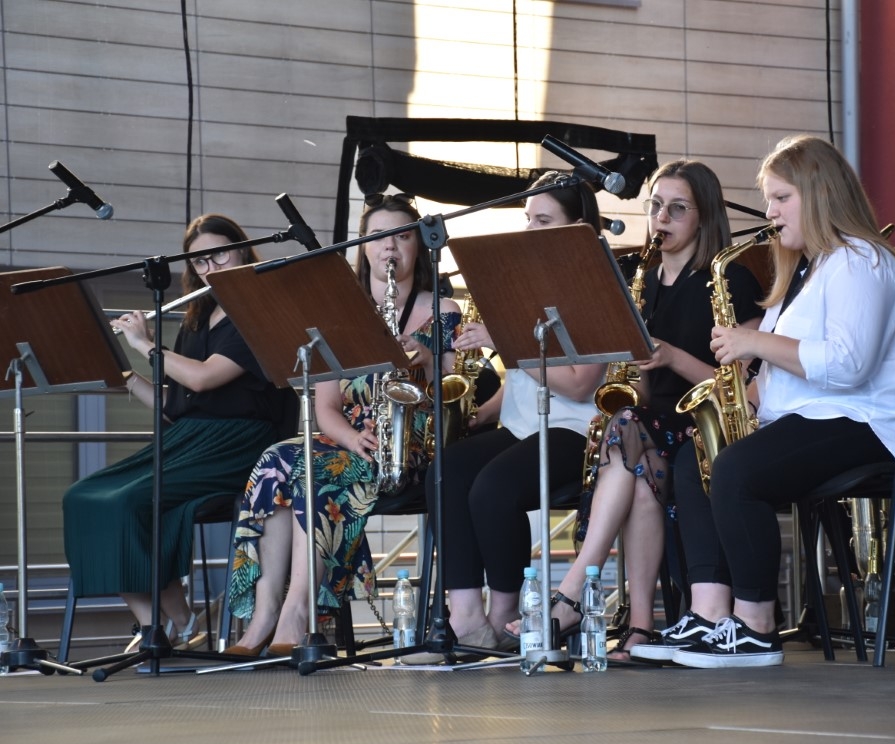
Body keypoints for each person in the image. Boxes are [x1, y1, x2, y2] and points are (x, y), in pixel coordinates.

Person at [628, 134, 895, 668]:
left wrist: (752, 343)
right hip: (816, 416)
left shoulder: (861, 261)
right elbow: (779, 372)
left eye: (780, 198)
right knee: (695, 459)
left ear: (819, 194)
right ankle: (709, 613)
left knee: (739, 471)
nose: (769, 212)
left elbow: (848, 363)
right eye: (770, 199)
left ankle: (756, 626)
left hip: (873, 422)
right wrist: (737, 405)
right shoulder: (806, 269)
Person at [506, 160, 764, 659]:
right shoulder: (643, 281)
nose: (661, 218)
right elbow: (644, 393)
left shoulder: (730, 278)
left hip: (709, 423)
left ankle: (574, 590)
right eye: (655, 206)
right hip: (651, 424)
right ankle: (641, 628)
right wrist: (636, 364)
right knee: (635, 453)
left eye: (677, 208)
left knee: (629, 434)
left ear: (704, 215)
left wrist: (672, 357)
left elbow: (746, 389)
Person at [225, 194, 461, 656]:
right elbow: (325, 407)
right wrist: (353, 437)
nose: (389, 247)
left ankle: (299, 610)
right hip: (347, 437)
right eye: (378, 237)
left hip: (405, 444)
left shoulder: (443, 309)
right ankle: (265, 612)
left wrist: (423, 354)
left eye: (402, 236)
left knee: (319, 476)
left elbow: (447, 395)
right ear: (362, 247)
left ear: (417, 246)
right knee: (278, 460)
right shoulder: (338, 312)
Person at [62, 214, 293, 651]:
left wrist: (148, 346)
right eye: (201, 261)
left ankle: (173, 626)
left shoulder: (256, 313)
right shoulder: (195, 321)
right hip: (187, 440)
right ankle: (168, 624)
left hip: (238, 444)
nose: (212, 267)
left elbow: (205, 379)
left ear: (242, 249)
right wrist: (125, 376)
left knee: (128, 501)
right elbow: (176, 407)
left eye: (220, 253)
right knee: (84, 497)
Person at [402, 172, 606, 663]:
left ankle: (506, 618)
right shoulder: (521, 281)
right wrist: (481, 413)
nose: (531, 229)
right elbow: (522, 381)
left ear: (577, 227)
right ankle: (466, 618)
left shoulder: (594, 285)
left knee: (493, 488)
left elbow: (581, 383)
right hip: (520, 424)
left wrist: (504, 343)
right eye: (528, 219)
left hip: (574, 429)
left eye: (544, 219)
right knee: (446, 471)